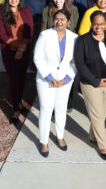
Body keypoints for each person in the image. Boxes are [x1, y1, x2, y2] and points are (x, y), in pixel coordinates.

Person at [74, 11, 106, 160]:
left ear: (105, 23)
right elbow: (80, 64)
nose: (98, 26)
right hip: (90, 84)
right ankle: (103, 146)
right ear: (91, 24)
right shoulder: (82, 41)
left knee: (102, 113)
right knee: (98, 116)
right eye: (95, 24)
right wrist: (95, 81)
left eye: (101, 23)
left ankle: (93, 136)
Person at [33, 9, 78, 157]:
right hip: (46, 80)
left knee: (61, 108)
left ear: (68, 22)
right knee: (46, 109)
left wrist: (67, 78)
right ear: (53, 20)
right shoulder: (45, 35)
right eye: (57, 19)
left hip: (64, 81)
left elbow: (75, 62)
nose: (59, 22)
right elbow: (37, 58)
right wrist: (49, 77)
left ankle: (60, 136)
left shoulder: (74, 38)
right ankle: (44, 141)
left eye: (63, 19)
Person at [0, 0, 33, 124]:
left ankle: (20, 102)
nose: (13, 0)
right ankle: (16, 109)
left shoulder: (26, 11)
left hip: (24, 50)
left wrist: (23, 47)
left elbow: (30, 30)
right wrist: (18, 47)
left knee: (22, 78)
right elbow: (2, 35)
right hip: (9, 51)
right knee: (13, 80)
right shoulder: (0, 13)